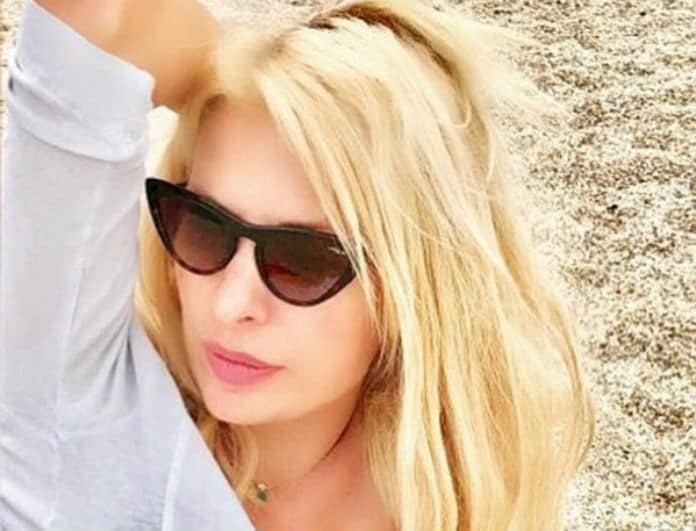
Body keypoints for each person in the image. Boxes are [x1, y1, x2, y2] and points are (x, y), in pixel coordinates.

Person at [0, 1, 595, 530]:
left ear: (413, 284)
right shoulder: (72, 395)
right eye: (203, 227)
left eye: (301, 261)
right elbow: (99, 17)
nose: (232, 305)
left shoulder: (456, 495)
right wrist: (247, 74)